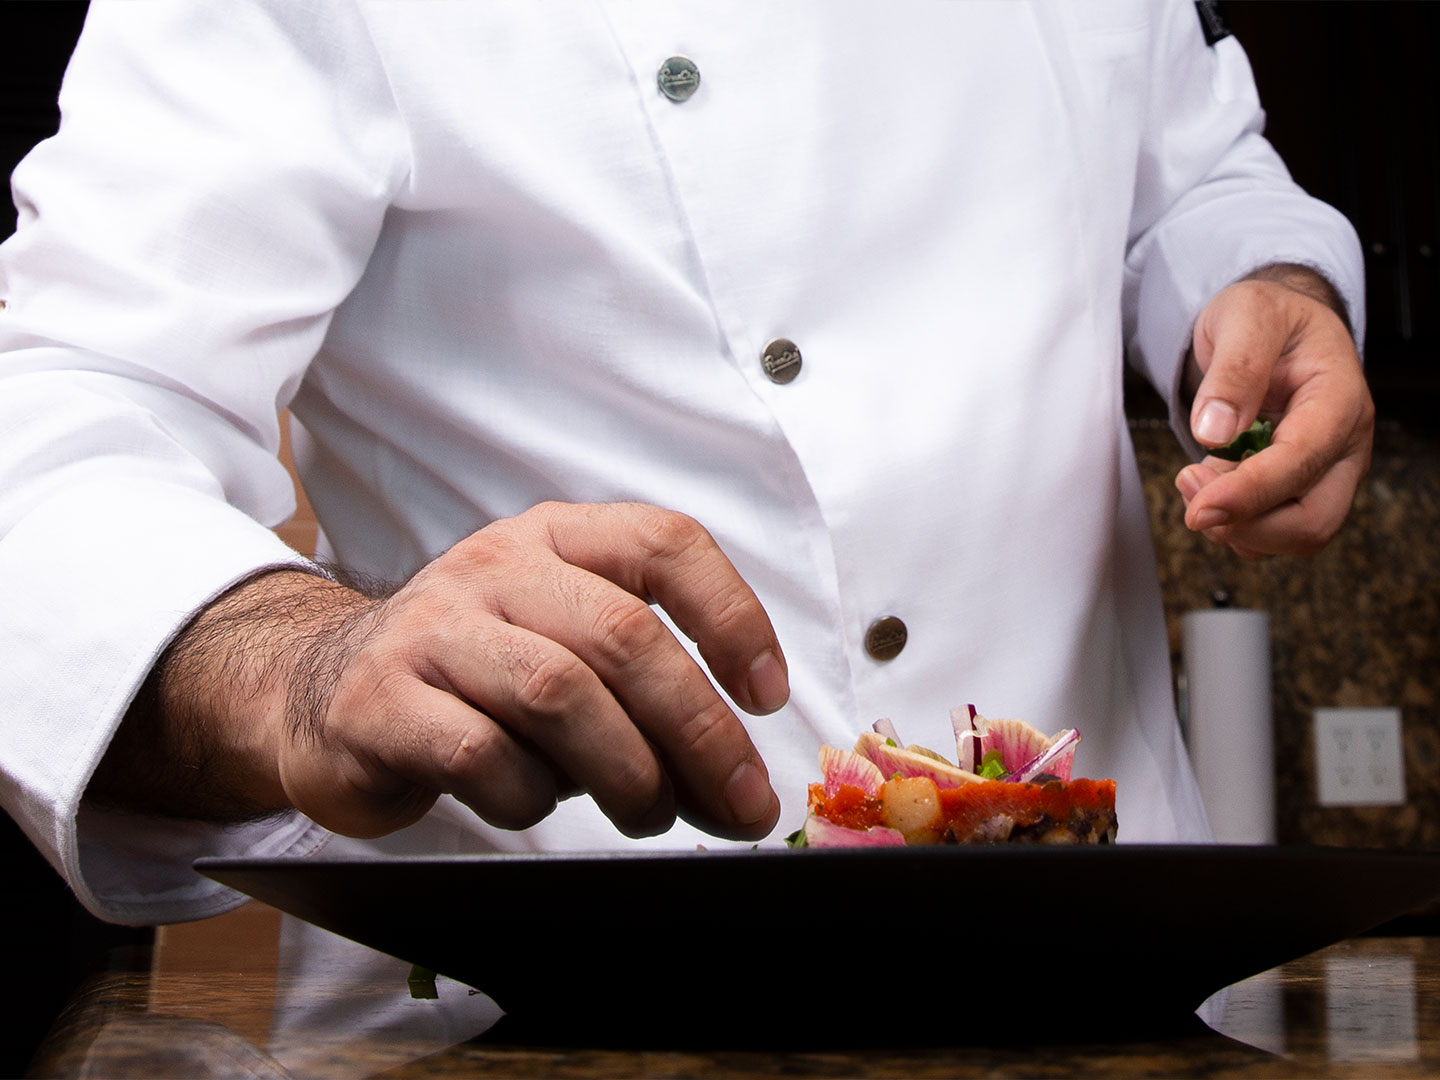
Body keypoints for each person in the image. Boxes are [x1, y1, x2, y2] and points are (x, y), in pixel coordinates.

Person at [0, 1, 1373, 925]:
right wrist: (303, 667)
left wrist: (1265, 285)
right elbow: (69, 407)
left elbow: (1192, 166)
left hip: (1109, 958)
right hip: (552, 992)